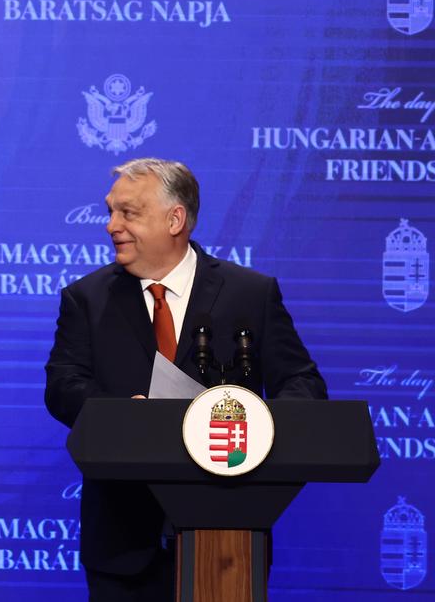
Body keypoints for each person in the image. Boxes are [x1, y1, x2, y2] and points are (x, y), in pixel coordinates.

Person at [44, 157, 327, 601]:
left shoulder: (250, 294)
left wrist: (251, 425)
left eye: (128, 212)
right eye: (110, 211)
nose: (111, 225)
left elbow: (303, 384)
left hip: (228, 533)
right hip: (122, 542)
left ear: (175, 219)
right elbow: (63, 386)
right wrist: (121, 417)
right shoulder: (87, 298)